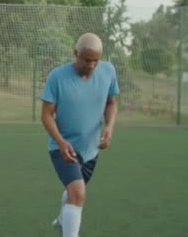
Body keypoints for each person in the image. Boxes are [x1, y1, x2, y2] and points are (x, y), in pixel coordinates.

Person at [40, 32, 119, 237]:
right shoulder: (57, 76)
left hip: (91, 149)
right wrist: (60, 141)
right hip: (62, 148)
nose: (92, 65)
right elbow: (46, 115)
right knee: (78, 193)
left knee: (73, 193)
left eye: (96, 60)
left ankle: (61, 221)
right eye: (87, 60)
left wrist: (109, 126)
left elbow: (111, 103)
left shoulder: (108, 71)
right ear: (76, 53)